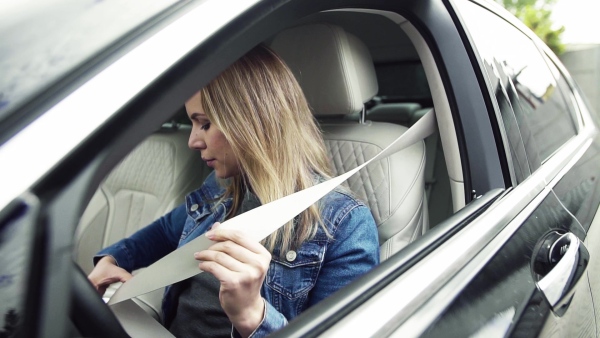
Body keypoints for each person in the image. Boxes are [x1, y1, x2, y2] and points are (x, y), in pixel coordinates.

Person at [87, 44, 379, 337]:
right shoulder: (220, 188)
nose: (193, 141)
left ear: (252, 120)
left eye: (205, 124)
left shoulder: (344, 224)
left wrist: (253, 314)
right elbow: (164, 232)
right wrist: (112, 260)